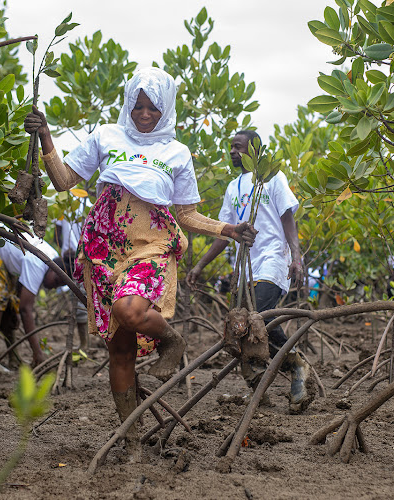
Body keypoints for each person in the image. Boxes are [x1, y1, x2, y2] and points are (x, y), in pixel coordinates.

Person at [24, 67, 257, 461]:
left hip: (151, 244)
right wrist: (45, 135)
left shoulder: (177, 152)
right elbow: (64, 181)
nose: (144, 114)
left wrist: (228, 229)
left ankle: (172, 340)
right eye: (138, 106)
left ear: (165, 110)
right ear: (129, 104)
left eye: (153, 108)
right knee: (120, 353)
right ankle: (131, 441)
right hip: (103, 246)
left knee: (129, 310)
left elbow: (186, 214)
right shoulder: (106, 135)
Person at [186, 130, 314, 414]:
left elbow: (287, 218)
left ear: (254, 150)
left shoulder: (272, 179)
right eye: (230, 146)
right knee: (243, 326)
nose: (232, 151)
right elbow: (224, 234)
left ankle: (297, 366)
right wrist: (199, 266)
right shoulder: (233, 187)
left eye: (238, 146)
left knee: (261, 318)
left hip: (273, 258)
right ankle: (259, 388)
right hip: (245, 266)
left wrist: (296, 256)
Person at [0, 232, 65, 370]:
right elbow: (25, 310)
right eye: (56, 281)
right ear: (53, 270)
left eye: (58, 286)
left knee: (9, 304)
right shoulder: (38, 264)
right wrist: (37, 352)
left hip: (1, 254)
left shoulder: (52, 258)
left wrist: (14, 305)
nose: (52, 287)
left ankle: (14, 359)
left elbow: (19, 298)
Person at [54, 209, 90, 352]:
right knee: (80, 301)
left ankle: (85, 345)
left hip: (81, 260)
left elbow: (57, 233)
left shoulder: (81, 206)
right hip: (78, 260)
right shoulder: (86, 205)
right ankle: (85, 343)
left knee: (81, 301)